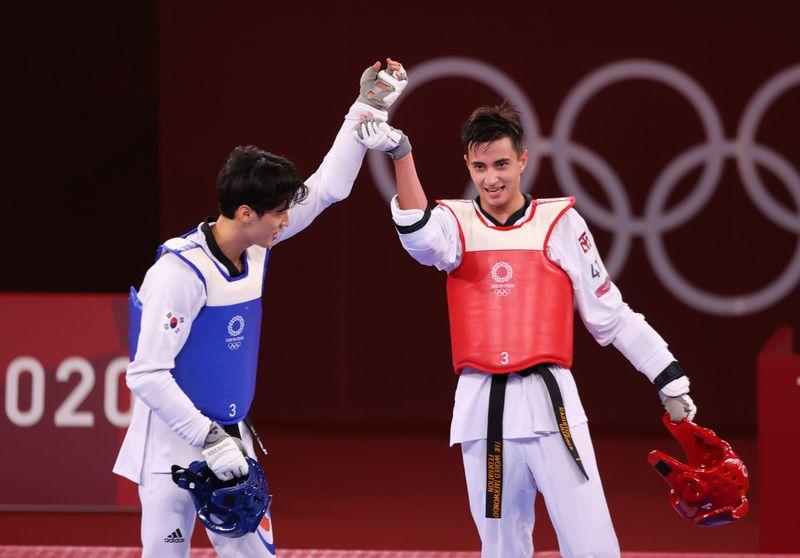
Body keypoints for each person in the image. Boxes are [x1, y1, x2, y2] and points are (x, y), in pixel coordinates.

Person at [355, 103, 697, 557]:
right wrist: (402, 155)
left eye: (501, 164)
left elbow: (609, 314)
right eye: (480, 167)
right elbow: (418, 238)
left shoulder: (560, 223)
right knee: (501, 548)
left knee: (591, 542)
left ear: (522, 160)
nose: (491, 178)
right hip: (482, 409)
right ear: (467, 165)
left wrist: (668, 377)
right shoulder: (454, 223)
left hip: (552, 406)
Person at [114, 58, 408, 558]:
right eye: (279, 213)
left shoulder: (256, 245)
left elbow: (328, 189)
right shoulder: (178, 273)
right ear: (246, 212)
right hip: (170, 447)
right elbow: (146, 374)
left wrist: (366, 108)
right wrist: (207, 439)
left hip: (231, 437)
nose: (287, 222)